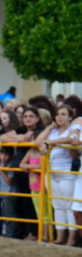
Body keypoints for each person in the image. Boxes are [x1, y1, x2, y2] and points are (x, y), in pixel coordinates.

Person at [37, 105, 81, 245]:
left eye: (63, 114)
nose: (60, 117)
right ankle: (60, 237)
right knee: (58, 206)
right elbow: (37, 142)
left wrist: (49, 142)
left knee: (69, 206)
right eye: (57, 114)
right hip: (53, 173)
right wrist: (49, 128)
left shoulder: (74, 129)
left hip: (67, 172)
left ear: (70, 116)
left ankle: (71, 238)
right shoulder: (54, 131)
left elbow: (70, 139)